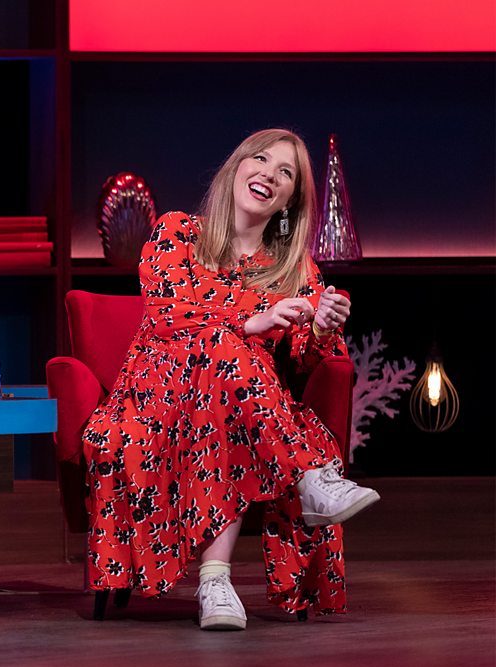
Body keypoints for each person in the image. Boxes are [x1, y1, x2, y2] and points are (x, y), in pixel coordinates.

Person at [81, 128, 380, 631]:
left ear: (290, 200)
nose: (269, 175)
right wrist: (250, 323)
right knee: (226, 350)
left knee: (228, 403)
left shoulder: (294, 269)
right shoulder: (177, 232)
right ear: (236, 167)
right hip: (157, 393)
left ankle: (216, 582)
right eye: (260, 159)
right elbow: (168, 315)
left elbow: (304, 360)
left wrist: (322, 327)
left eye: (285, 173)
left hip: (241, 407)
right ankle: (306, 478)